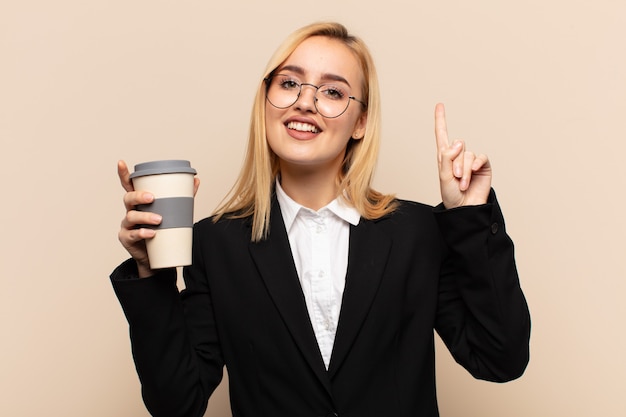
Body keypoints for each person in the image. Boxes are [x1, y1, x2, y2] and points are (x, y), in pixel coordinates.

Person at [111, 21, 530, 417]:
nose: (305, 101)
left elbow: (500, 358)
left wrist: (470, 217)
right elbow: (176, 404)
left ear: (360, 122)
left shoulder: (416, 234)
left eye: (332, 92)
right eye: (289, 83)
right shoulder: (216, 244)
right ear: (266, 102)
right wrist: (151, 273)